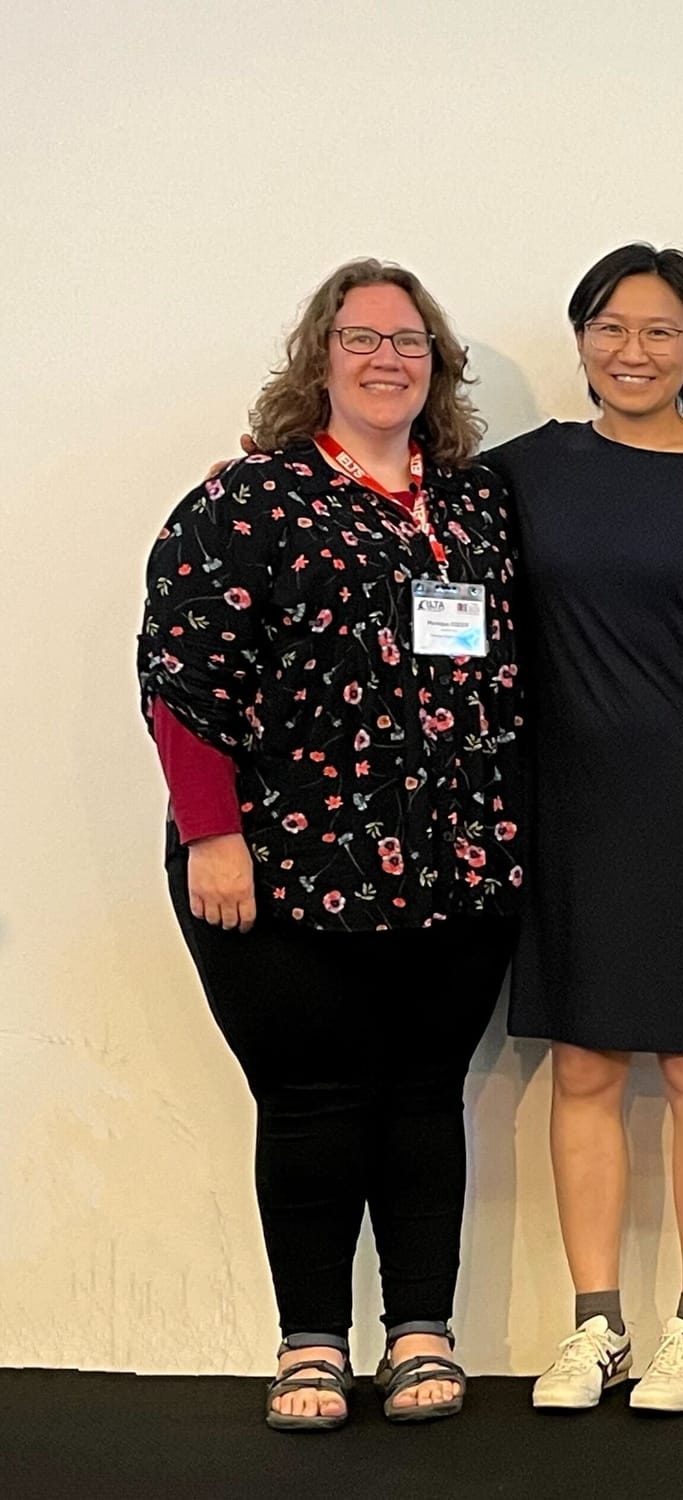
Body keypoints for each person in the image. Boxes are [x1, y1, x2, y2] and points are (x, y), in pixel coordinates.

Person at [137, 259, 523, 1429]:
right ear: (319, 356)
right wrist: (212, 836)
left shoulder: (472, 503)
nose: (386, 358)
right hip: (276, 866)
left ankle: (420, 1333)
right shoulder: (244, 500)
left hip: (456, 862)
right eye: (361, 338)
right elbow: (181, 677)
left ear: (436, 365)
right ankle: (310, 1342)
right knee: (309, 1101)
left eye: (410, 341)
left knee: (421, 1099)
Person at [495, 245, 683, 1415]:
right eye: (610, 326)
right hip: (561, 804)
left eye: (660, 332)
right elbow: (390, 515)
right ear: (581, 338)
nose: (632, 351)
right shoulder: (522, 472)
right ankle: (595, 1324)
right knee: (585, 1062)